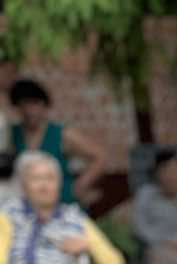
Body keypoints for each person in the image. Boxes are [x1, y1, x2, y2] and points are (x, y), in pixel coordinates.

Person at [8, 79, 105, 208]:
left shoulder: (62, 133)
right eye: (25, 104)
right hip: (26, 204)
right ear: (18, 107)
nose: (30, 111)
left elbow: (100, 156)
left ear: (44, 105)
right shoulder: (12, 133)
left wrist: (80, 185)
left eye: (35, 104)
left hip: (62, 202)